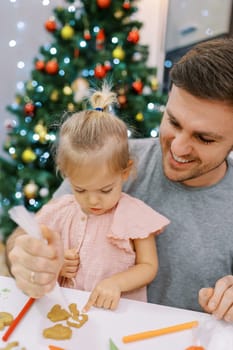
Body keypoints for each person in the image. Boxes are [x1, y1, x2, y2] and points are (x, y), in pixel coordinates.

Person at [6, 37, 233, 321]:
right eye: (173, 122)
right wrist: (24, 255)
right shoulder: (109, 159)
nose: (177, 148)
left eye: (204, 138)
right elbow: (27, 237)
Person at [6, 84, 169, 312]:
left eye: (105, 190)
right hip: (66, 311)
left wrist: (116, 283)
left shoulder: (133, 215)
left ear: (125, 172)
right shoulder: (60, 210)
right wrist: (56, 265)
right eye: (80, 190)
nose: (93, 202)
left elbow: (149, 266)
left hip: (119, 315)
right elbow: (38, 247)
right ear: (66, 175)